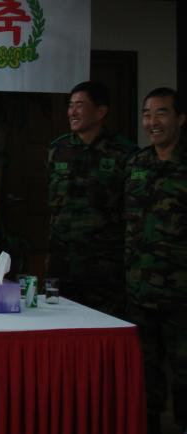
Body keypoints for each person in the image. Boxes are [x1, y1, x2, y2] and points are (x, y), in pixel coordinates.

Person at [124, 87, 187, 434]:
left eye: (161, 113)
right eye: (147, 114)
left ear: (180, 118)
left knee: (184, 370)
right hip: (141, 289)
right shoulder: (137, 163)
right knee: (144, 370)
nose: (152, 122)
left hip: (180, 292)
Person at [46, 80, 136, 316]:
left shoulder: (124, 153)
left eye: (80, 105)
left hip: (104, 265)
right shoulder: (58, 149)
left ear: (100, 111)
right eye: (70, 105)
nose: (72, 112)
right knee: (60, 323)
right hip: (62, 261)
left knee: (104, 326)